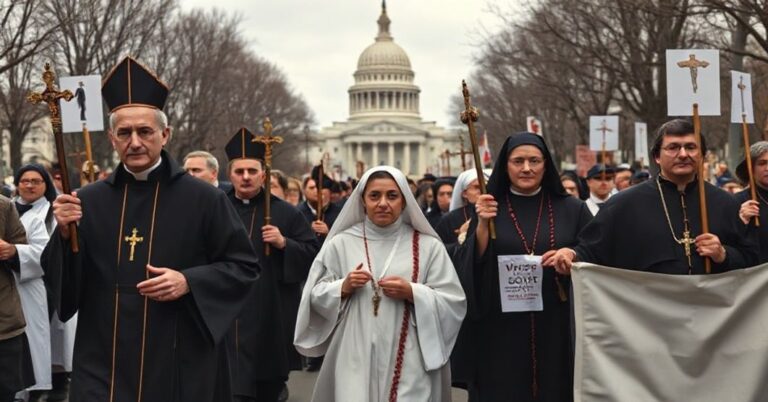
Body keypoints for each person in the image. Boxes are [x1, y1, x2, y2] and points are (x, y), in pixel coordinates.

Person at [41, 56, 260, 402]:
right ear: (112, 138)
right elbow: (64, 281)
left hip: (178, 353)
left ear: (165, 134)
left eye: (145, 131)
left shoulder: (205, 198)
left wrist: (189, 281)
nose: (135, 142)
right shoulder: (88, 201)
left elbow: (244, 267)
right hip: (104, 358)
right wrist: (64, 233)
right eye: (125, 133)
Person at [294, 166, 466, 402]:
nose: (383, 203)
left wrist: (413, 292)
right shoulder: (341, 243)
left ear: (404, 201)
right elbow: (314, 296)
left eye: (392, 196)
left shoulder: (428, 246)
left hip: (410, 352)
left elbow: (452, 300)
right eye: (374, 196)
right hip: (354, 351)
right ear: (362, 200)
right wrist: (342, 287)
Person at [453, 132, 591, 402]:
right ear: (506, 166)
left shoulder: (573, 209)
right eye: (518, 161)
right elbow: (470, 266)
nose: (526, 168)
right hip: (501, 329)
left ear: (546, 165)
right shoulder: (489, 208)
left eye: (534, 161)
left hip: (558, 324)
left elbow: (594, 251)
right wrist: (482, 225)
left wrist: (572, 254)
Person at [547, 118, 758, 275]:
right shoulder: (623, 204)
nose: (683, 154)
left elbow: (752, 259)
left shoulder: (726, 203)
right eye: (673, 147)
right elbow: (592, 251)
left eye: (691, 147)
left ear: (702, 155)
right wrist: (571, 255)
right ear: (657, 156)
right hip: (648, 321)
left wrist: (723, 254)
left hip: (714, 320)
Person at [222, 128, 318, 401]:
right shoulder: (216, 206)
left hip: (269, 310)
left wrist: (284, 243)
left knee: (267, 386)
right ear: (230, 175)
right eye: (239, 171)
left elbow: (312, 253)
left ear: (263, 175)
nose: (246, 177)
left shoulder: (286, 213)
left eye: (252, 171)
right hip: (228, 309)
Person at [12, 165, 56, 401]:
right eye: (25, 180)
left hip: (31, 285)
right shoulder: (7, 207)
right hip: (6, 287)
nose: (29, 185)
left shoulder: (50, 213)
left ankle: (32, 391)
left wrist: (13, 252)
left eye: (36, 181)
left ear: (45, 185)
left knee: (31, 339)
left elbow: (47, 255)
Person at [0, 194, 33, 402]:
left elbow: (22, 247)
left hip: (3, 323)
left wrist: (11, 251)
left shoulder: (3, 205)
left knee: (5, 390)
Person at [735, 141, 768, 263]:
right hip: (755, 276)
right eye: (762, 163)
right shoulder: (737, 202)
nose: (767, 168)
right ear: (751, 168)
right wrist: (740, 221)